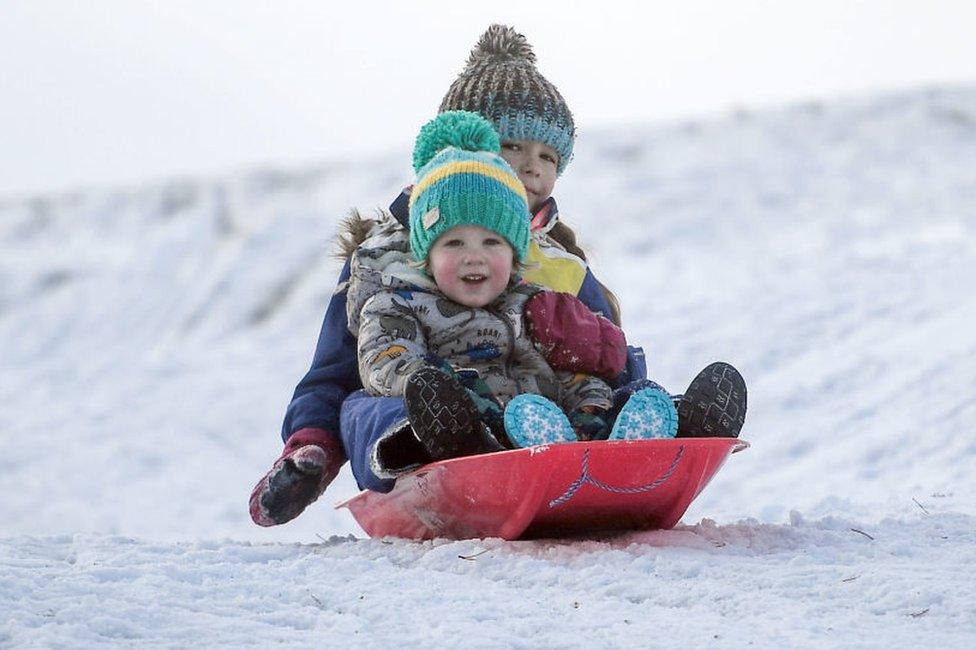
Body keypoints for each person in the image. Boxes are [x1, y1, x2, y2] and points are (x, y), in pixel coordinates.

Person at [249, 24, 746, 526]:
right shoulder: (384, 258)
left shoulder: (562, 267)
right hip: (421, 404)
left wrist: (602, 359)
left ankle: (663, 431)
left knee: (604, 388)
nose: (532, 167)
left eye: (548, 156)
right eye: (513, 146)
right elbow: (331, 374)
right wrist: (310, 450)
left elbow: (608, 358)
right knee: (364, 405)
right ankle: (432, 438)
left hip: (540, 416)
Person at [339, 111, 681, 491]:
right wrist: (433, 383)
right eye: (454, 243)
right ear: (425, 259)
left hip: (546, 425)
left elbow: (568, 372)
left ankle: (649, 435)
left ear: (515, 255)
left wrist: (591, 403)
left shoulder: (529, 304)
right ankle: (479, 446)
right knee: (410, 408)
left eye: (491, 243)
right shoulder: (398, 302)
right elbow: (386, 358)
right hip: (464, 423)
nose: (474, 256)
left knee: (616, 394)